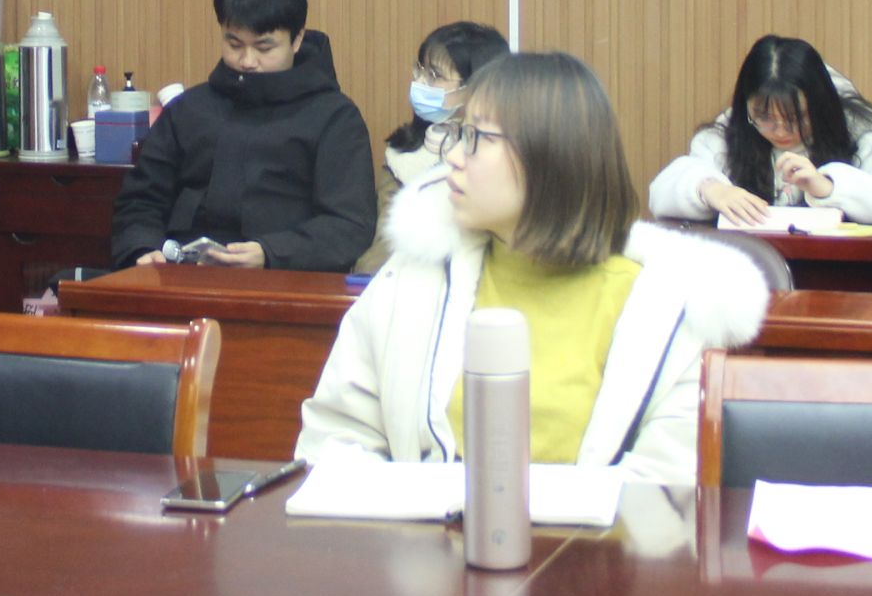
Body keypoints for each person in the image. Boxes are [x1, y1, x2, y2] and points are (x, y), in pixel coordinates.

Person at [297, 51, 770, 486]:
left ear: (550, 156)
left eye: (476, 138)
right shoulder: (414, 277)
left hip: (594, 551)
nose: (453, 157)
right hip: (422, 546)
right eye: (459, 134)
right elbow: (335, 440)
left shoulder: (669, 308)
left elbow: (669, 490)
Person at [108, 0, 375, 272]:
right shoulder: (190, 109)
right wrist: (143, 248)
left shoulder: (335, 117)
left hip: (287, 279)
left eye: (264, 47)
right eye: (234, 44)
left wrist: (270, 253)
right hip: (183, 275)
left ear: (297, 39)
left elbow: (349, 224)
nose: (247, 61)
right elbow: (140, 201)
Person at [647, 35, 872, 227]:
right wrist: (711, 190)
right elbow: (661, 192)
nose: (779, 131)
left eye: (795, 118)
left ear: (820, 106)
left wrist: (828, 187)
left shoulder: (860, 130)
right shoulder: (728, 132)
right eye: (764, 118)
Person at [356, 20, 508, 273]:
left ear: (474, 88)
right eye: (420, 69)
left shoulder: (503, 159)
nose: (420, 82)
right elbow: (384, 245)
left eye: (435, 75)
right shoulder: (401, 155)